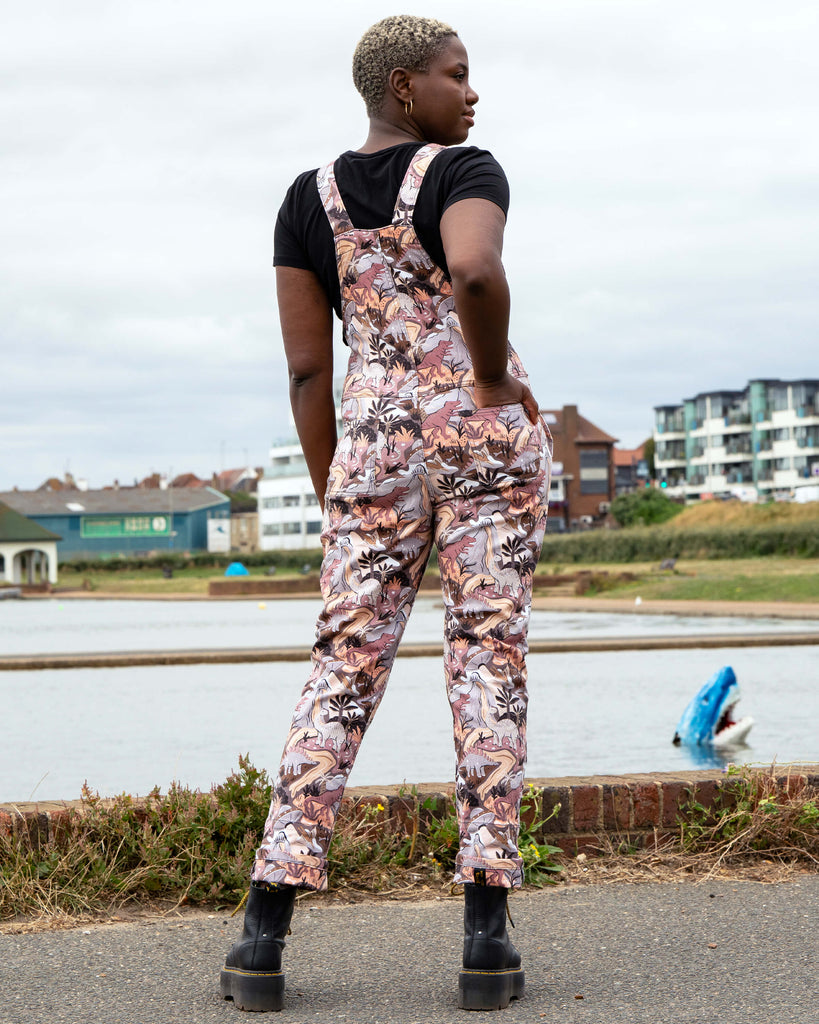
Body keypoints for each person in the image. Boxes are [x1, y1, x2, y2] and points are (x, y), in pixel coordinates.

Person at [220, 14, 552, 1013]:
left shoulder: (301, 203)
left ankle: (262, 933)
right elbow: (479, 274)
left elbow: (307, 369)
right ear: (406, 88)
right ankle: (486, 938)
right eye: (458, 75)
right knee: (487, 658)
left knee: (340, 670)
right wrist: (490, 378)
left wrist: (338, 488)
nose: (474, 93)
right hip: (478, 444)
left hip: (370, 450)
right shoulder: (467, 172)